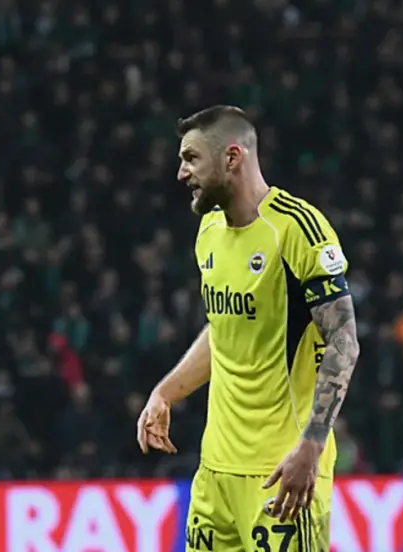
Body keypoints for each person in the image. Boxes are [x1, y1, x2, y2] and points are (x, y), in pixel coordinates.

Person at [136, 106, 360, 552]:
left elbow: (344, 341)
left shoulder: (297, 229)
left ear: (232, 157)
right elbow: (224, 329)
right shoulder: (209, 230)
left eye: (191, 158)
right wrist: (166, 392)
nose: (181, 173)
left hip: (281, 473)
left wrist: (311, 448)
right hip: (215, 474)